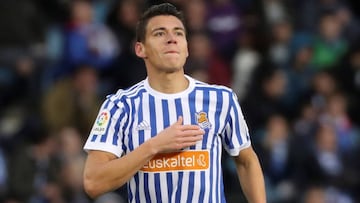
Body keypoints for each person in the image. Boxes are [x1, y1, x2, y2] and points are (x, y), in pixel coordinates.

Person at [83, 3, 266, 202]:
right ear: (140, 48)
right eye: (159, 33)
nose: (171, 39)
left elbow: (246, 161)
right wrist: (154, 146)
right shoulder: (120, 106)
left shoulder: (221, 99)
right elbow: (93, 183)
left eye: (178, 33)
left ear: (186, 47)